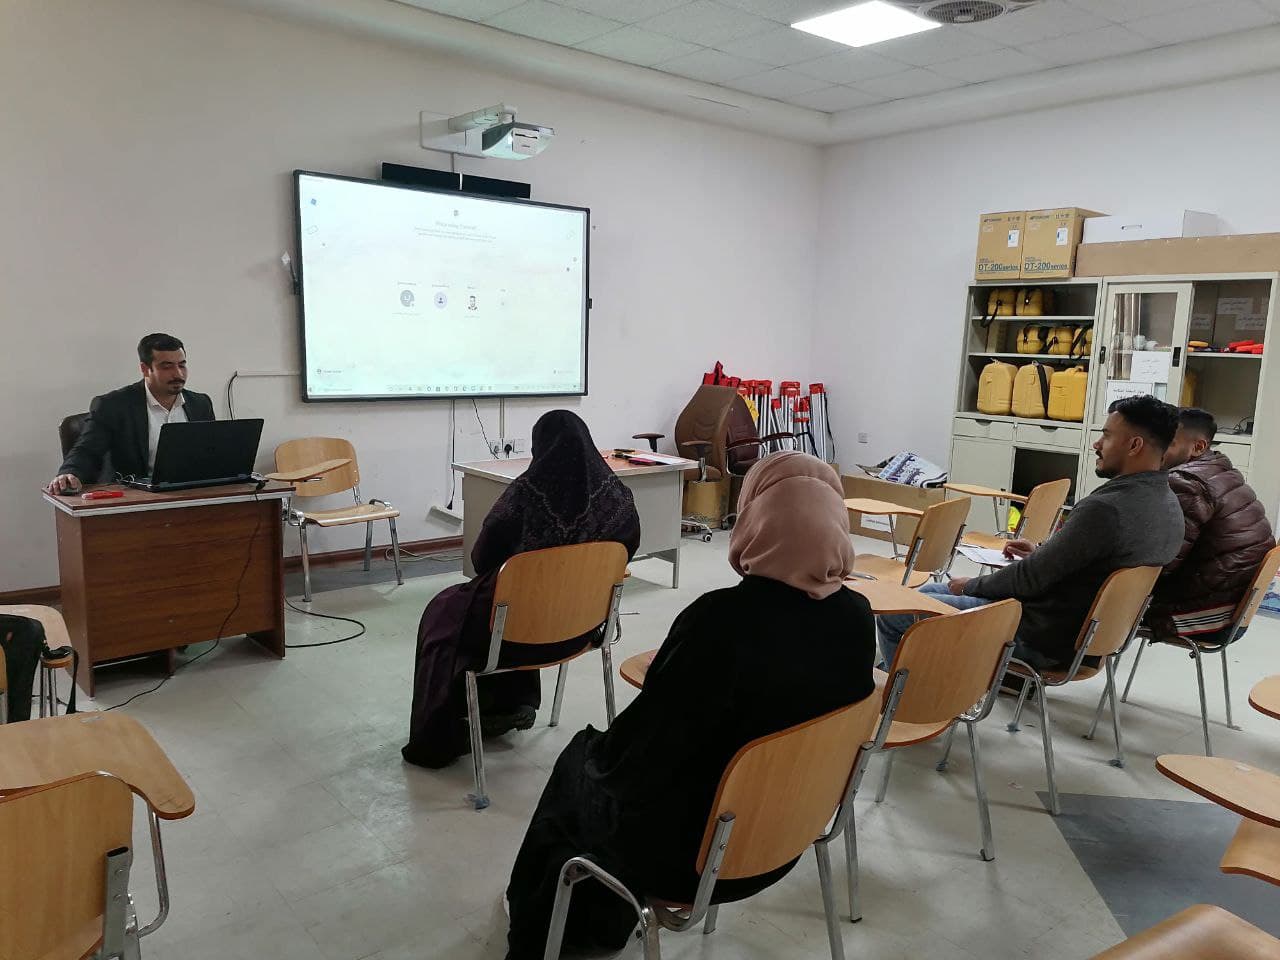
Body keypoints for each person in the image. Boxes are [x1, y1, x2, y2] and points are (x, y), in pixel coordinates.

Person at [503, 451, 876, 959]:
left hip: (688, 859)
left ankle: (549, 930)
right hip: (785, 833)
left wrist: (596, 755)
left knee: (579, 761)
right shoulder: (857, 618)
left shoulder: (720, 623)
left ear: (755, 522)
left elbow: (638, 760)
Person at [402, 410, 641, 770]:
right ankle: (513, 705)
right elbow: (627, 551)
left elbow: (483, 559)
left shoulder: (524, 495)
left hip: (515, 637)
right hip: (583, 630)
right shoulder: (619, 499)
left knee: (446, 614)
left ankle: (440, 735)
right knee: (517, 604)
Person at [878, 395, 1184, 672]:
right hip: (1089, 640)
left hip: (1039, 636)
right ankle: (918, 679)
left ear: (1134, 445)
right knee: (930, 593)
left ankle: (909, 702)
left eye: (1106, 435)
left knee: (898, 613)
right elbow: (1095, 566)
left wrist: (969, 585)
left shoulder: (1106, 509)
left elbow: (1029, 579)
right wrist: (1043, 553)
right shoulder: (1169, 505)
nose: (1096, 444)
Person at [1145, 408, 1275, 641]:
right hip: (1233, 606)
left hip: (1206, 614)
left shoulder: (1185, 482)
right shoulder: (1221, 467)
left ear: (1198, 447)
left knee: (1097, 603)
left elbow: (1163, 561)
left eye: (1168, 443)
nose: (1157, 449)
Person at [47, 333, 213, 492]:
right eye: (167, 367)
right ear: (145, 369)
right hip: (134, 497)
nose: (178, 374)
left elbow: (211, 452)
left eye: (182, 365)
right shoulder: (113, 405)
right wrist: (69, 473)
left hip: (190, 492)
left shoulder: (200, 404)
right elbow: (87, 451)